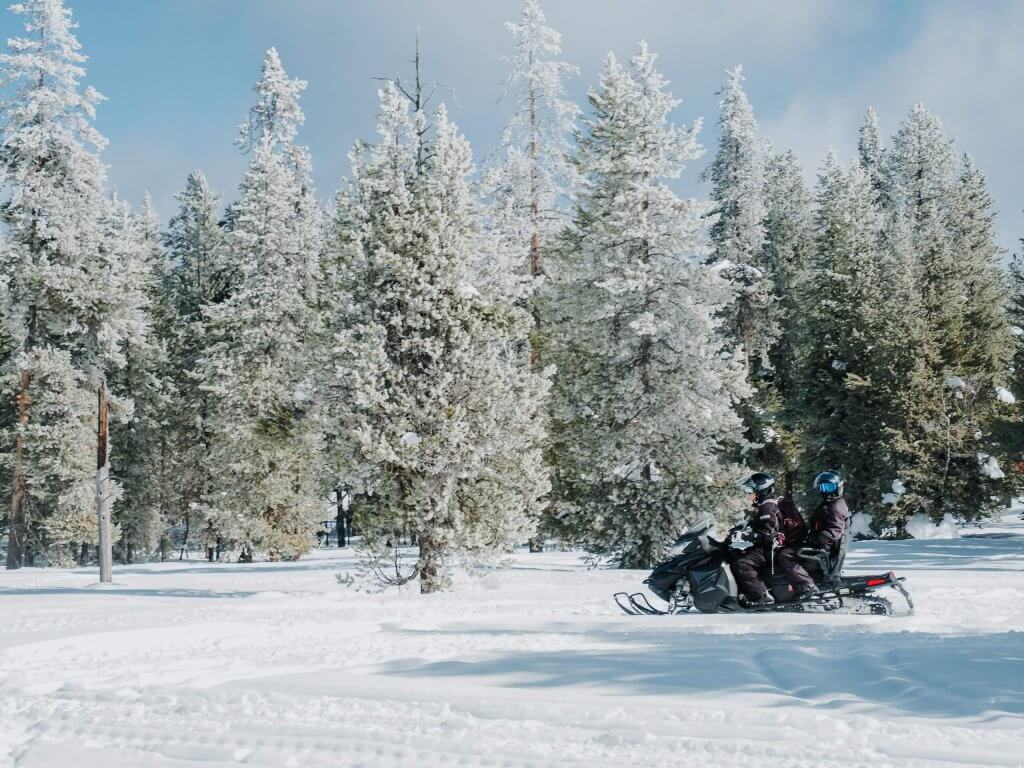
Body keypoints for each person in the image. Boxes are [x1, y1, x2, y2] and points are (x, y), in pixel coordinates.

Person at [777, 470, 851, 598]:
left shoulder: (835, 506)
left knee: (786, 554)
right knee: (788, 548)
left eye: (829, 487)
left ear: (838, 486)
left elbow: (834, 531)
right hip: (822, 547)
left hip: (822, 550)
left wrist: (816, 540)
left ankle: (806, 585)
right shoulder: (832, 503)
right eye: (823, 487)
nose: (826, 491)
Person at [732, 472, 782, 608]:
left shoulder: (768, 506)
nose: (749, 494)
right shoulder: (764, 505)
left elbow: (767, 535)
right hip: (768, 547)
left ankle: (761, 595)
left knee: (742, 564)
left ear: (762, 490)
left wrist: (744, 536)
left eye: (752, 491)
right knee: (736, 554)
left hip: (769, 549)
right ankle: (744, 591)